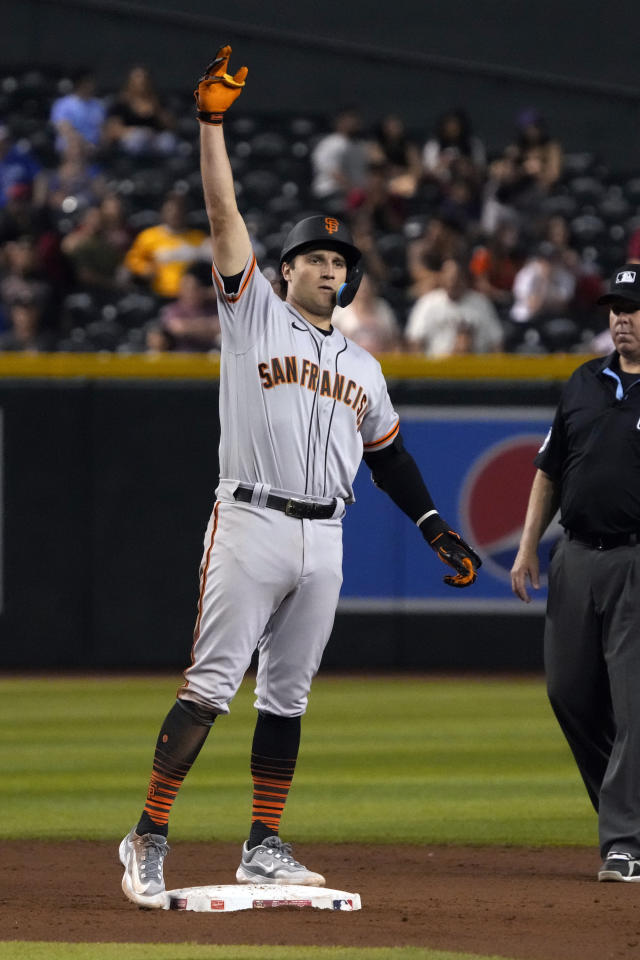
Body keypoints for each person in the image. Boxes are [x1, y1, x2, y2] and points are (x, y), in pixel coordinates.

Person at [118, 46, 482, 909]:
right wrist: (210, 125)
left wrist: (433, 524)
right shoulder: (252, 318)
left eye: (339, 260)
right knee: (210, 688)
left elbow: (388, 455)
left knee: (288, 697)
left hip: (327, 534)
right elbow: (222, 212)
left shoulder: (363, 363)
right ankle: (148, 835)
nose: (331, 267)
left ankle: (264, 842)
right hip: (249, 523)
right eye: (316, 257)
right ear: (286, 270)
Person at [511, 264, 640, 883]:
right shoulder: (585, 381)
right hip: (576, 558)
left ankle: (624, 839)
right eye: (615, 307)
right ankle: (628, 819)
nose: (621, 317)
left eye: (632, 307)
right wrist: (528, 546)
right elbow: (549, 468)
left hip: (636, 559)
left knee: (634, 705)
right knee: (568, 692)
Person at [405, 257, 503, 355]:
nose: (453, 283)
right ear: (442, 278)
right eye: (449, 278)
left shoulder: (482, 303)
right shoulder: (427, 303)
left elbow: (496, 342)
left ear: (464, 278)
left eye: (457, 278)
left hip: (477, 366)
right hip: (437, 366)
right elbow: (415, 341)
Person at [123, 191, 210, 299]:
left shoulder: (198, 238)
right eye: (170, 211)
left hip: (192, 297)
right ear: (163, 212)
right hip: (161, 295)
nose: (174, 215)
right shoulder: (149, 236)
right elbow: (132, 260)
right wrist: (145, 269)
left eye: (179, 211)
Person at [104, 65, 177, 155]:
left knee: (168, 141)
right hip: (132, 139)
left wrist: (157, 109)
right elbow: (113, 131)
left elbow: (171, 126)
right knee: (138, 139)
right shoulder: (121, 103)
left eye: (145, 80)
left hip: (154, 139)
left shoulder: (158, 101)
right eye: (137, 80)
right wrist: (139, 132)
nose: (141, 83)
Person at [49, 70, 106, 154]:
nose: (91, 85)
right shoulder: (63, 104)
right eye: (87, 81)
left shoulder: (99, 105)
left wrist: (100, 147)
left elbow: (103, 130)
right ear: (79, 83)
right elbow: (64, 130)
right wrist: (84, 145)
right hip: (70, 151)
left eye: (92, 81)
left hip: (94, 152)